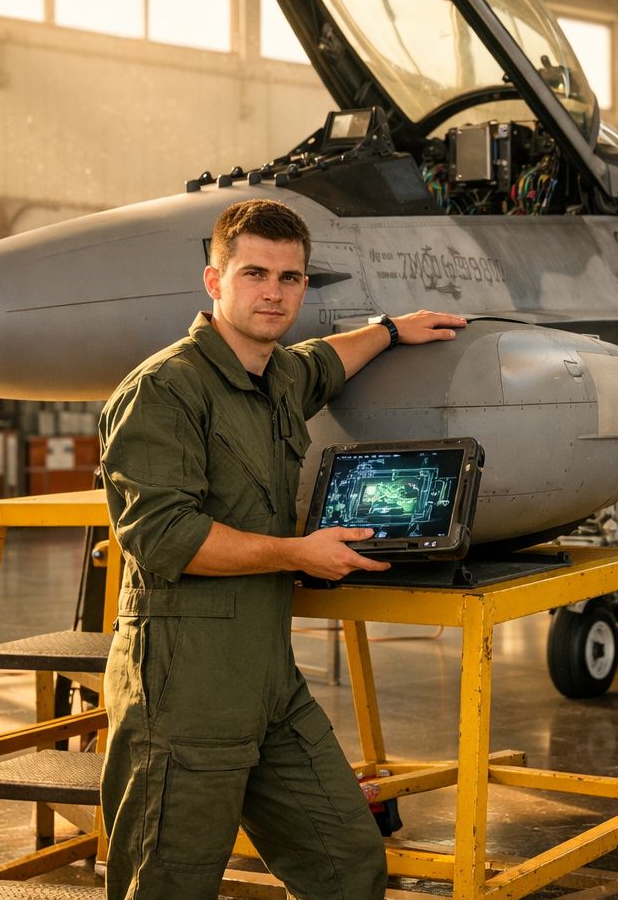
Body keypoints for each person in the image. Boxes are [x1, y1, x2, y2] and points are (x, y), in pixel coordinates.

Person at [98, 198, 466, 899]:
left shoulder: (277, 377)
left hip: (268, 683)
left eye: (290, 278)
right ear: (214, 281)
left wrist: (390, 330)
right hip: (184, 689)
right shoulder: (164, 390)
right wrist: (299, 553)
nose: (273, 292)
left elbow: (324, 362)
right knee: (167, 885)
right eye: (255, 274)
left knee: (346, 865)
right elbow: (166, 536)